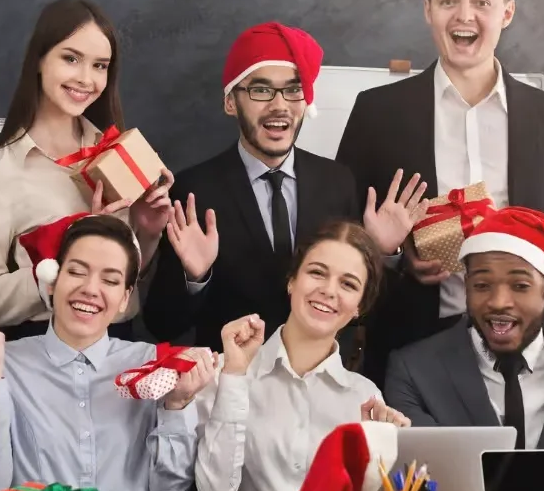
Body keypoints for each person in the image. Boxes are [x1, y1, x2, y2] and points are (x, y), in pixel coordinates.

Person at [335, 0, 544, 388]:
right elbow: (340, 235)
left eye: (481, 2)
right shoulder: (377, 112)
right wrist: (393, 256)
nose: (464, 15)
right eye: (448, 1)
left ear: (506, 13)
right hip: (410, 345)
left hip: (529, 349)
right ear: (428, 10)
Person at [144, 21, 427, 351]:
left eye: (293, 90)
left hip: (316, 384)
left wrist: (383, 255)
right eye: (261, 90)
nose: (279, 105)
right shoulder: (194, 191)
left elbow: (363, 314)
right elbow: (160, 324)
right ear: (231, 102)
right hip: (233, 382)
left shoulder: (337, 182)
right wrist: (196, 278)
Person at [0, 214, 212, 491]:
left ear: (125, 298)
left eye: (110, 280)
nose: (91, 289)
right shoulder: (3, 364)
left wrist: (176, 407)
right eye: (77, 272)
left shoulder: (151, 368)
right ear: (52, 282)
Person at [0, 0, 172, 340]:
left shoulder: (120, 154)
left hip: (121, 344)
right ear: (40, 60)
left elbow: (128, 287)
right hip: (40, 351)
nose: (86, 79)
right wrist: (63, 258)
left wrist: (147, 234)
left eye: (100, 65)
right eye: (71, 59)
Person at [195, 221, 410, 491]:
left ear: (360, 306)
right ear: (292, 280)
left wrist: (390, 451)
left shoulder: (366, 397)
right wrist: (234, 378)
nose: (329, 291)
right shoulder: (225, 372)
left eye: (348, 284)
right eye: (317, 273)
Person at [384, 206, 544, 449]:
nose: (499, 302)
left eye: (520, 285)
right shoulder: (413, 372)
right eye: (482, 285)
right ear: (466, 287)